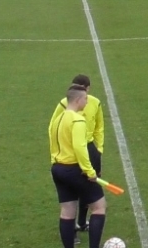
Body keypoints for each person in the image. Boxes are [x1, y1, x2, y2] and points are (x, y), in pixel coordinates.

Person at [49, 86, 107, 248]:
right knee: (99, 207)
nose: (87, 102)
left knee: (67, 212)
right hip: (74, 170)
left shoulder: (57, 120)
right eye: (86, 99)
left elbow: (53, 144)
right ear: (78, 100)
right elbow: (80, 148)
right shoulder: (78, 120)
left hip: (57, 169)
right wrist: (90, 171)